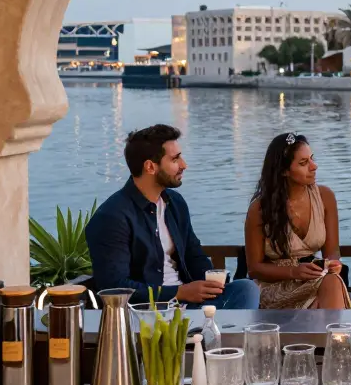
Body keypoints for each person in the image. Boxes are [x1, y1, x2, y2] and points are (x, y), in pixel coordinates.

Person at [87, 124, 260, 309]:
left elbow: (194, 255)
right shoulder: (112, 217)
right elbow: (115, 287)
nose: (184, 165)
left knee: (246, 289)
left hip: (187, 303)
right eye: (175, 159)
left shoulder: (174, 203)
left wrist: (213, 283)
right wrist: (178, 292)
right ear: (150, 167)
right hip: (147, 311)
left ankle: (213, 325)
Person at [243, 132, 351, 309]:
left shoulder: (325, 197)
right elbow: (254, 268)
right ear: (284, 171)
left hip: (313, 277)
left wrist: (332, 264)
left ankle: (328, 325)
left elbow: (332, 252)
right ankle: (332, 326)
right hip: (275, 285)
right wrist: (293, 272)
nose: (314, 166)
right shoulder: (259, 209)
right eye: (303, 163)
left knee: (332, 281)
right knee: (324, 297)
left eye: (312, 159)